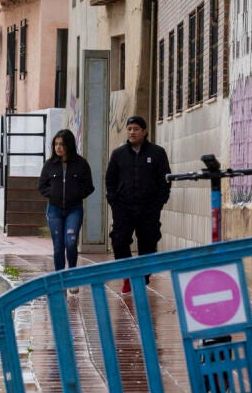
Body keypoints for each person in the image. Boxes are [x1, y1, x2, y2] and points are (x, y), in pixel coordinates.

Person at [104, 116, 171, 293]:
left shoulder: (157, 153)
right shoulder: (118, 154)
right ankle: (128, 274)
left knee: (148, 243)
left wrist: (159, 201)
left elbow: (164, 179)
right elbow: (110, 179)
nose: (132, 132)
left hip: (148, 207)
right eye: (129, 129)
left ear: (144, 131)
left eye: (136, 129)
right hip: (123, 206)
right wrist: (113, 199)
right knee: (119, 241)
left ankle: (142, 276)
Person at [37, 129, 94, 287]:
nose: (58, 147)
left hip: (74, 209)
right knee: (58, 246)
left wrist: (75, 194)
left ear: (69, 145)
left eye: (61, 144)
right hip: (54, 210)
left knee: (70, 242)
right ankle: (60, 279)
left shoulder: (81, 164)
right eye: (56, 144)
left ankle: (72, 276)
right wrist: (53, 194)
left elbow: (89, 187)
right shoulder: (49, 165)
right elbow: (41, 186)